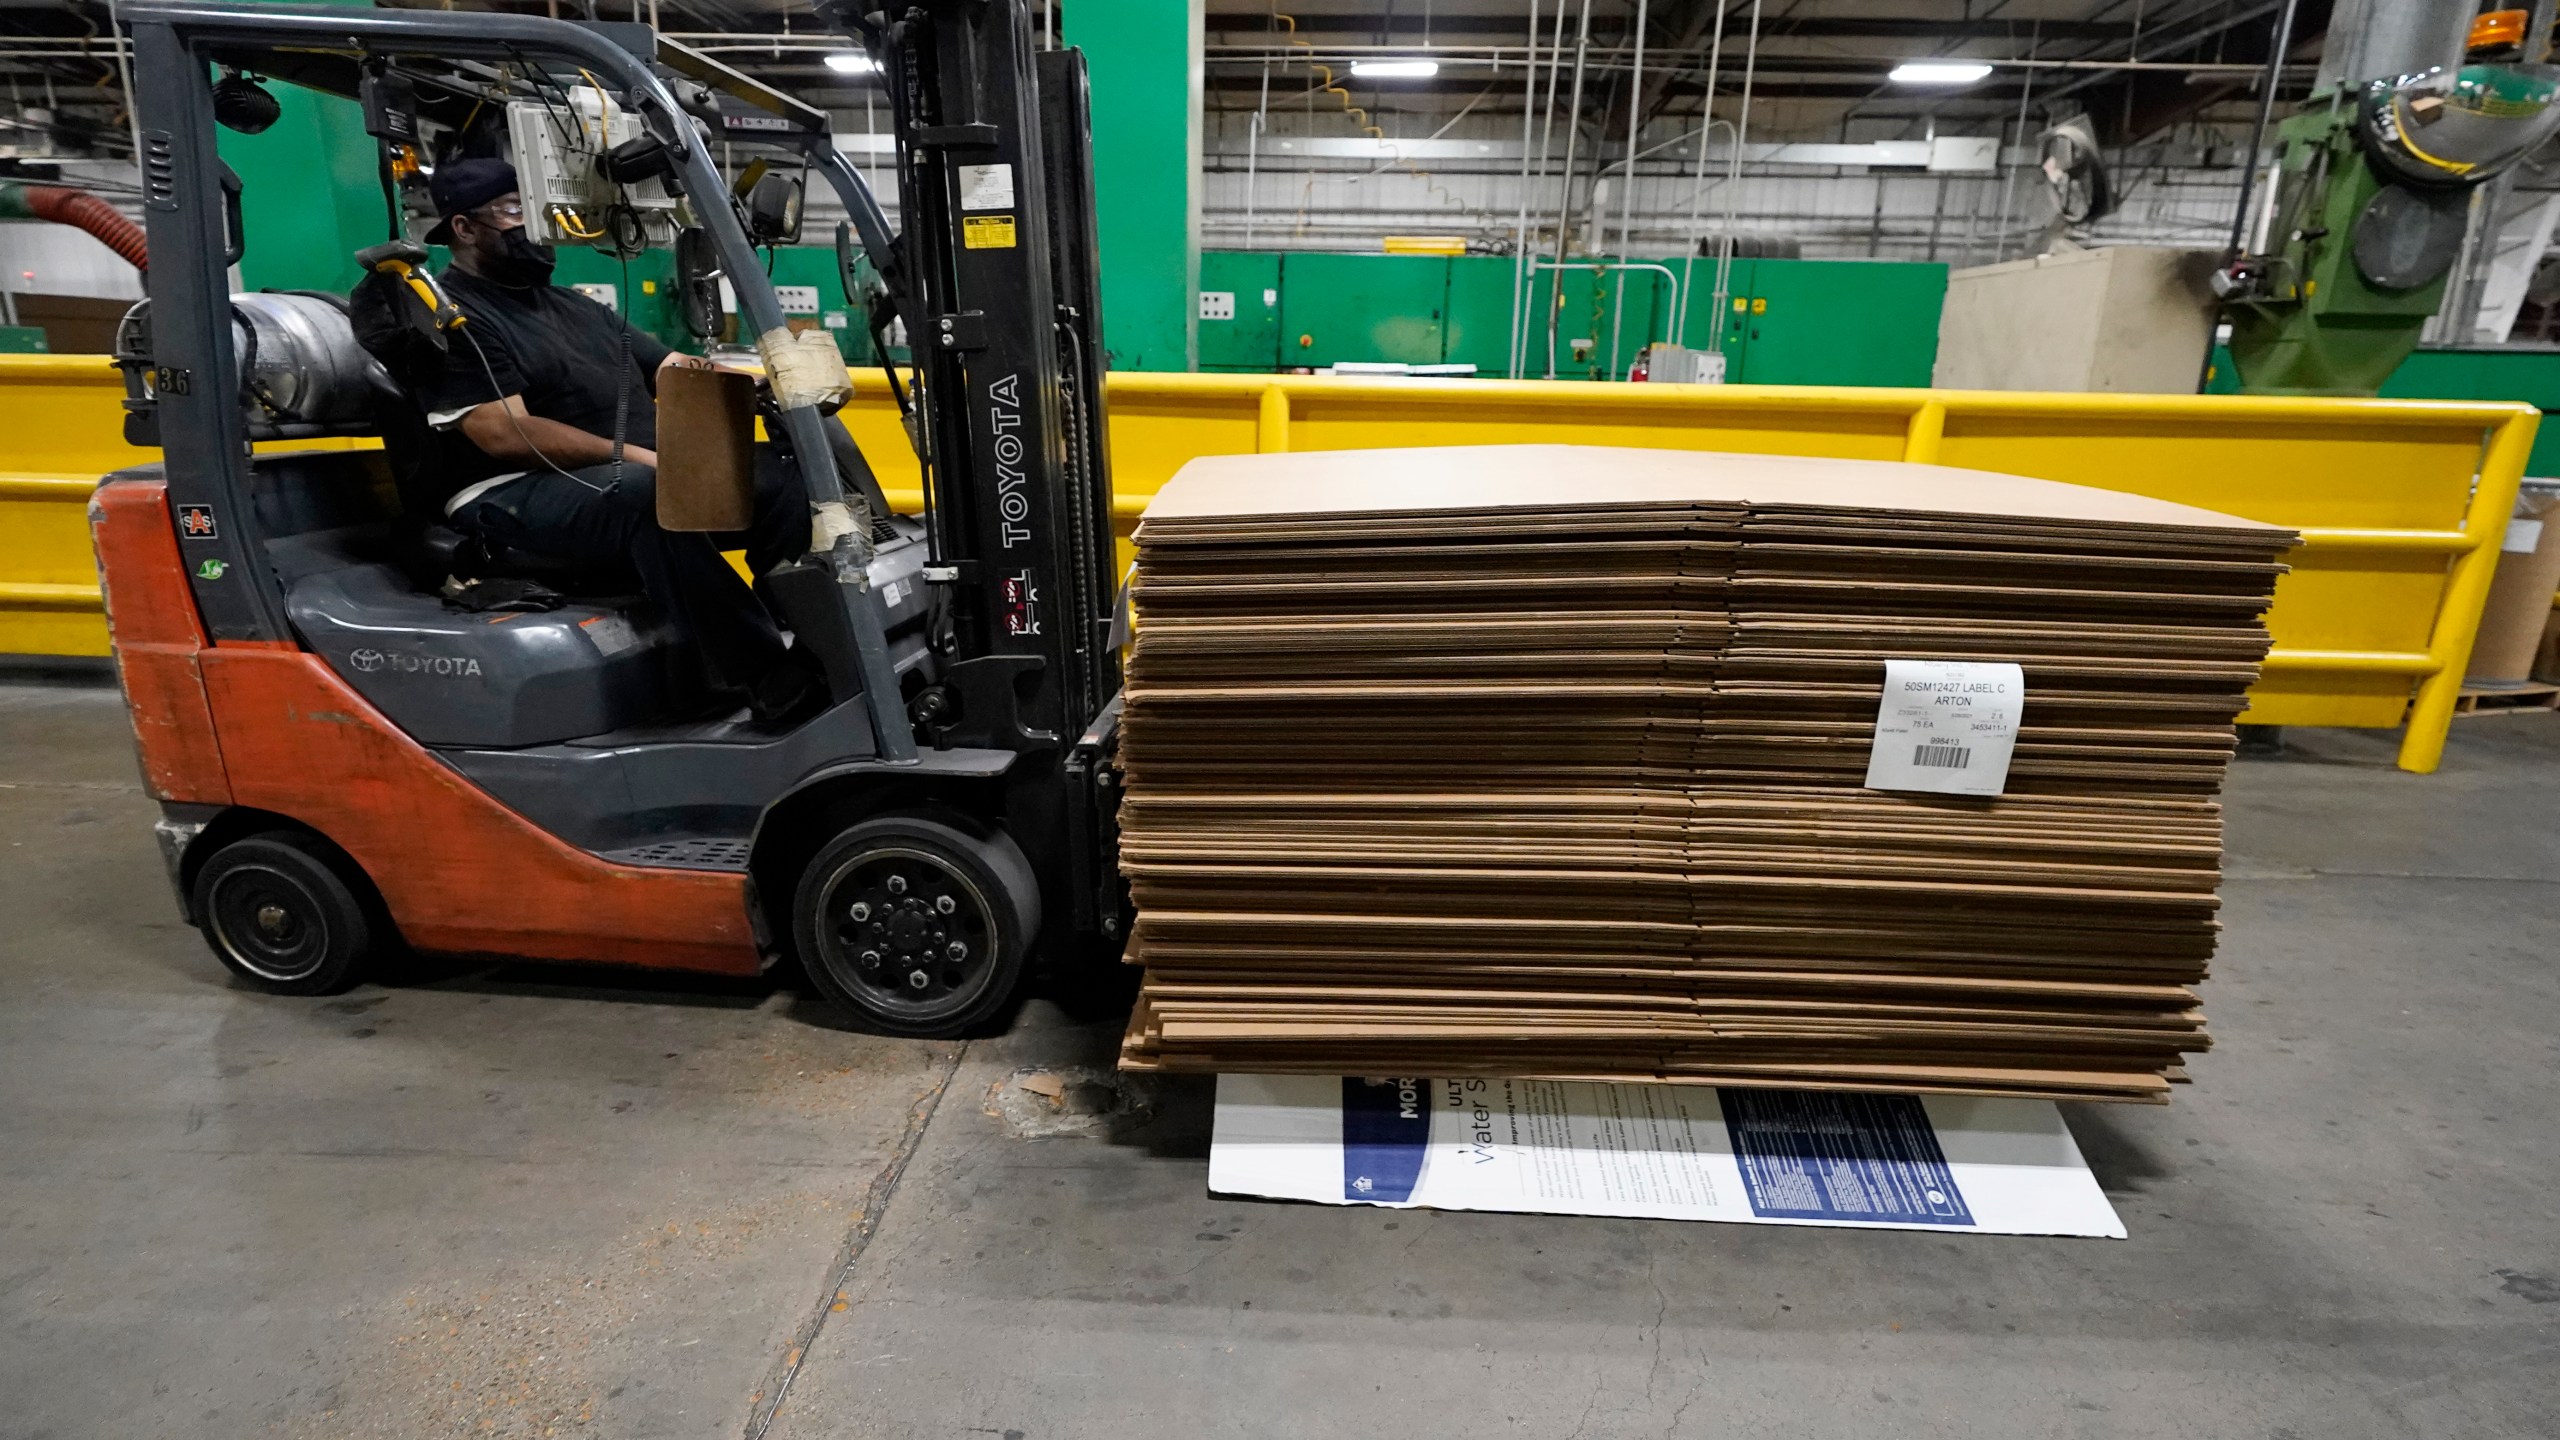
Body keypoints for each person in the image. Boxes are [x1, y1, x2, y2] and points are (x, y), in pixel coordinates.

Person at [408, 158, 819, 719]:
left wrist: (767, 386)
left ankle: (809, 637)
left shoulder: (573, 306)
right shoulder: (457, 317)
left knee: (784, 471)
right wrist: (636, 456)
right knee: (647, 495)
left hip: (625, 471)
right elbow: (504, 432)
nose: (536, 226)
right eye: (514, 211)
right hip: (510, 491)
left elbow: (671, 366)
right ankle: (766, 675)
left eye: (538, 211)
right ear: (463, 227)